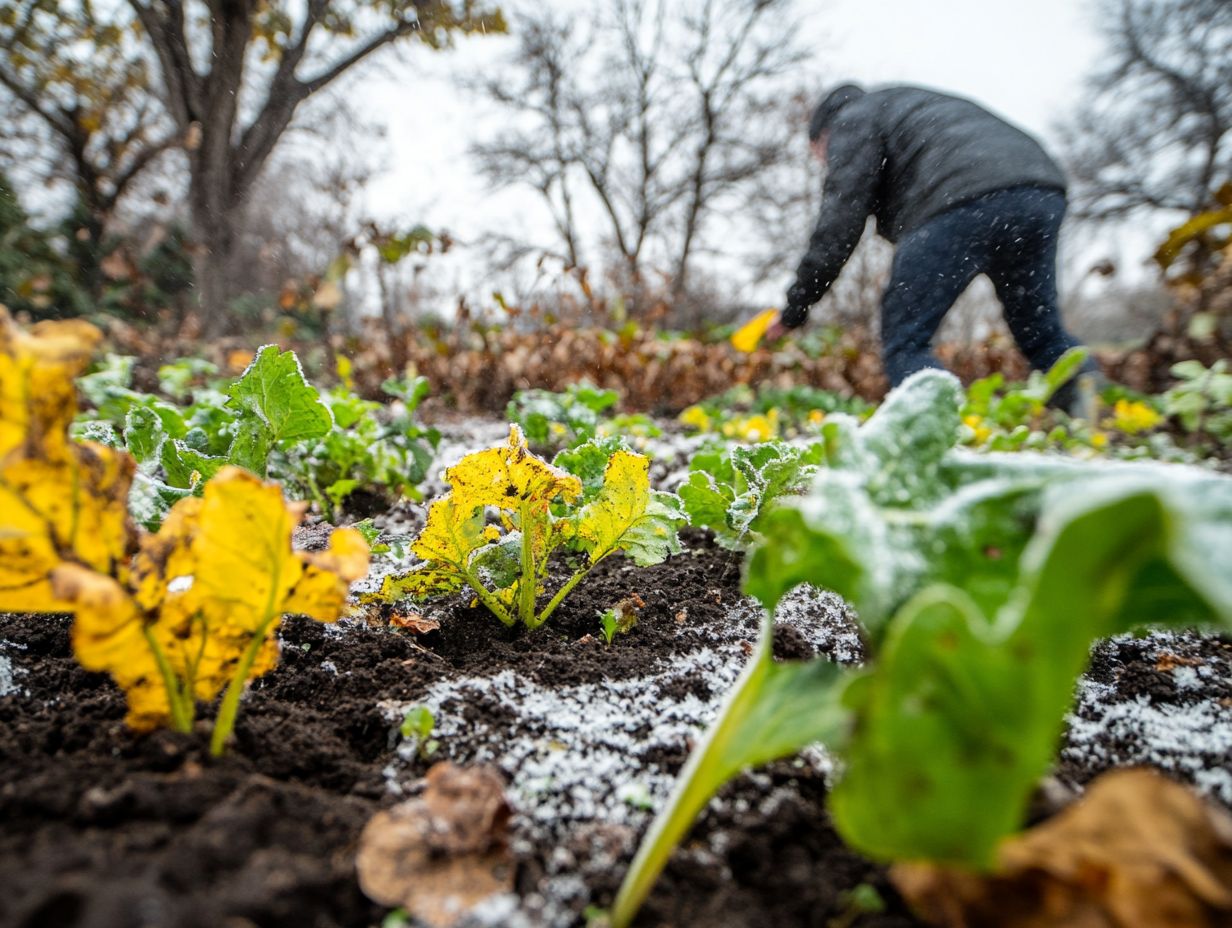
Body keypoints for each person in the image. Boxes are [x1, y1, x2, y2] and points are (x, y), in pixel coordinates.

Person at [765, 83, 1102, 412]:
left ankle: (946, 433)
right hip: (1038, 193)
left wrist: (794, 310)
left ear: (822, 136)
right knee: (1040, 330)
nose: (826, 164)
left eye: (822, 156)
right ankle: (1097, 410)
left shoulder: (851, 119)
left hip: (961, 197)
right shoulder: (902, 104)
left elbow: (840, 221)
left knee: (905, 341)